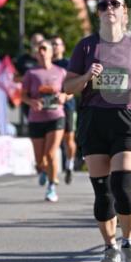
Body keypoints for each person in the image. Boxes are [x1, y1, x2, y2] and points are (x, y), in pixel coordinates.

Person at [64, 0, 131, 262]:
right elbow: (67, 88)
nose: (109, 8)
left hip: (125, 118)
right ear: (98, 12)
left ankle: (128, 242)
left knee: (123, 186)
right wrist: (86, 76)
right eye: (103, 5)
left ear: (124, 10)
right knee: (103, 193)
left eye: (115, 3)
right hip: (94, 120)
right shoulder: (85, 47)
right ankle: (110, 247)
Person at [22, 39, 70, 202]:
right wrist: (32, 102)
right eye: (39, 49)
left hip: (56, 116)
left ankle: (52, 186)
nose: (41, 52)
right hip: (36, 118)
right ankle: (42, 170)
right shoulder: (31, 73)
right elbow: (23, 95)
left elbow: (69, 90)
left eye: (44, 48)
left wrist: (64, 96)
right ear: (36, 54)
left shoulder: (60, 72)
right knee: (39, 159)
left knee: (50, 154)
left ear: (51, 52)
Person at [51, 35, 77, 184]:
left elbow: (75, 86)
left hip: (67, 106)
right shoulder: (45, 65)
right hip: (49, 107)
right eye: (52, 44)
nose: (54, 47)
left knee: (69, 139)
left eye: (57, 44)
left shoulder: (68, 64)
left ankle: (70, 165)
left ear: (62, 47)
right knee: (52, 140)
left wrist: (64, 96)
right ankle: (49, 172)